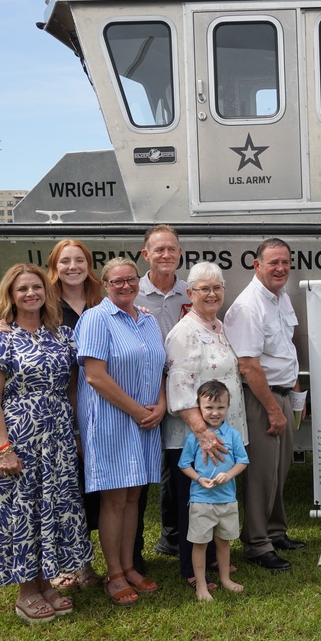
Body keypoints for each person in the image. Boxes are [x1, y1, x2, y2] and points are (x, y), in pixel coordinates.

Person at [0, 263, 93, 624]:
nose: (30, 294)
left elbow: (72, 388)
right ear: (10, 295)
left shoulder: (61, 336)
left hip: (57, 436)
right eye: (22, 289)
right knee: (21, 512)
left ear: (47, 292)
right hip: (20, 437)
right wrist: (3, 447)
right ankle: (26, 591)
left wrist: (75, 432)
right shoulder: (1, 338)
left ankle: (46, 582)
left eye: (36, 288)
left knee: (52, 508)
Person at [75, 256, 166, 606]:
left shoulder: (147, 320)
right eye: (118, 281)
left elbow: (157, 365)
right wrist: (136, 411)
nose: (126, 286)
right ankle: (113, 574)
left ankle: (129, 567)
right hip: (112, 420)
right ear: (104, 285)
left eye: (131, 280)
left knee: (133, 497)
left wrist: (159, 404)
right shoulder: (96, 319)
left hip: (146, 419)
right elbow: (95, 376)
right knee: (114, 499)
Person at [224, 237, 306, 571]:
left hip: (283, 394)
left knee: (279, 469)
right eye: (273, 262)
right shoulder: (249, 306)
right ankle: (257, 544)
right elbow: (248, 365)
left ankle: (275, 532)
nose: (280, 268)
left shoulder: (279, 297)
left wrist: (296, 397)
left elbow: (287, 349)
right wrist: (273, 409)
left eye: (285, 262)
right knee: (260, 474)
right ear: (256, 265)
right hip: (262, 399)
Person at [165, 261, 247, 591]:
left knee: (217, 499)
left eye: (217, 288)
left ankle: (213, 558)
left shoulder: (217, 325)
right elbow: (180, 391)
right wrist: (204, 434)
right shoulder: (185, 333)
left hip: (221, 434)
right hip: (194, 438)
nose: (212, 294)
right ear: (190, 293)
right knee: (195, 504)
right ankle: (190, 567)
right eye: (204, 289)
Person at [135, 224, 191, 566]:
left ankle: (173, 537)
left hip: (182, 392)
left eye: (171, 249)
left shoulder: (190, 292)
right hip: (144, 393)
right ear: (146, 255)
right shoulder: (130, 292)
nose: (166, 255)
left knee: (177, 463)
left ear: (180, 253)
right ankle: (133, 554)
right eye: (159, 250)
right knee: (140, 471)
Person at [178, 380, 249, 601]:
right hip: (201, 500)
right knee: (199, 543)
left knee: (224, 542)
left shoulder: (233, 436)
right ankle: (201, 586)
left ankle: (225, 578)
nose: (215, 413)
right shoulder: (194, 437)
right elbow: (184, 465)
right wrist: (199, 479)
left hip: (227, 499)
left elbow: (242, 461)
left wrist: (228, 475)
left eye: (220, 407)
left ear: (228, 407)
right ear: (199, 408)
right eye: (209, 407)